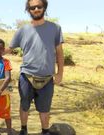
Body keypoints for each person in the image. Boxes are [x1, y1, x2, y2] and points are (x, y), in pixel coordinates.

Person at [6, 0, 64, 135]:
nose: (36, 9)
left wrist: (60, 73)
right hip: (26, 75)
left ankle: (45, 131)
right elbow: (9, 48)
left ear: (44, 8)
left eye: (39, 6)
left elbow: (60, 52)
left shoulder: (55, 28)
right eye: (32, 7)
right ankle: (23, 129)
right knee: (24, 105)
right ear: (28, 10)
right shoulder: (22, 30)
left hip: (48, 77)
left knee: (45, 108)